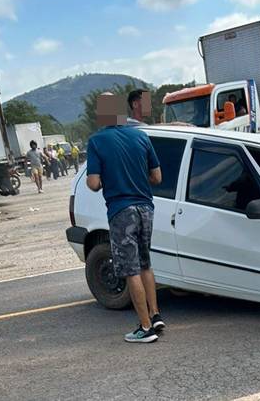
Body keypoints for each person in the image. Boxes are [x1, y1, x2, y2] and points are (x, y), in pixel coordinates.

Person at [86, 92, 164, 343]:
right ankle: (155, 315)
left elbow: (94, 183)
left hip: (121, 211)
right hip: (146, 208)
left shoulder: (97, 141)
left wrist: (104, 179)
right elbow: (157, 178)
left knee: (131, 271)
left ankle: (144, 328)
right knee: (146, 264)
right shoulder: (141, 136)